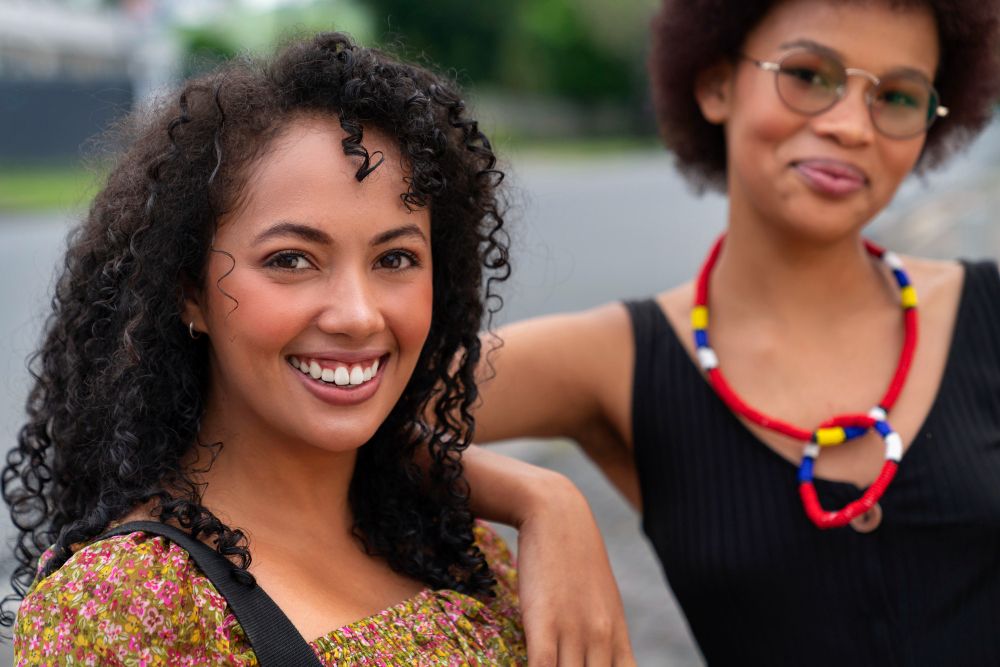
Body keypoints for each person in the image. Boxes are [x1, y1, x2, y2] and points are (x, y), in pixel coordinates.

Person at [4, 33, 634, 666]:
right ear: (189, 292)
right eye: (291, 260)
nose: (358, 315)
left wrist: (548, 500)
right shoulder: (127, 607)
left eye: (395, 258)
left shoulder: (463, 548)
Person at [467, 0, 1000, 664]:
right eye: (809, 75)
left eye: (897, 95)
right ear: (716, 84)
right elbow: (354, 411)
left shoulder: (986, 307)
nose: (850, 125)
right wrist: (539, 497)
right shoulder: (615, 357)